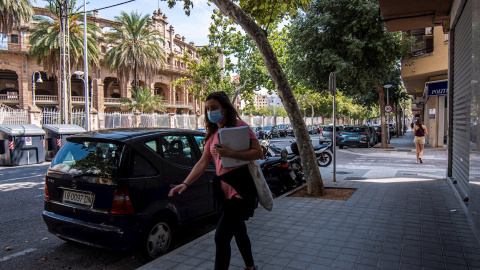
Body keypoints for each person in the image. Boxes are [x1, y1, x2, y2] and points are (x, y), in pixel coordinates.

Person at [168, 91, 263, 270]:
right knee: (238, 230)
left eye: (214, 108)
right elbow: (203, 162)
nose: (210, 112)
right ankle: (250, 267)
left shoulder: (240, 126)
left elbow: (258, 152)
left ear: (224, 109)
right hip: (223, 190)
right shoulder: (212, 133)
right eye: (208, 109)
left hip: (240, 188)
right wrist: (186, 183)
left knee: (221, 237)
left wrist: (231, 153)